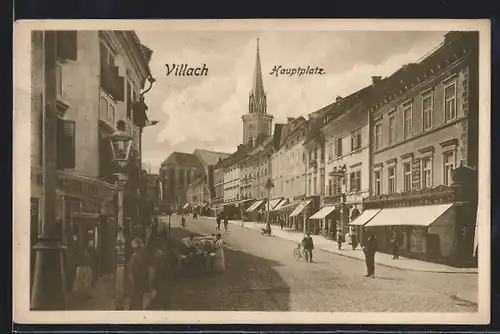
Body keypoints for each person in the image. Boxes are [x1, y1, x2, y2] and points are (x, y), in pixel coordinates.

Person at [128, 238, 150, 310]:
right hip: (142, 277)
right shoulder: (145, 255)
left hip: (137, 277)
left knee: (135, 295)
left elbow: (131, 268)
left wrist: (131, 278)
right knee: (140, 295)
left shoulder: (135, 256)